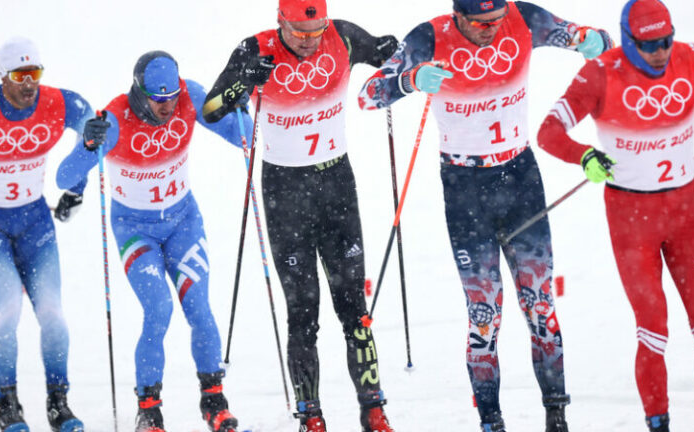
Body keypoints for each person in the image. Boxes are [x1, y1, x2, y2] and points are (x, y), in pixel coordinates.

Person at [358, 0, 615, 431]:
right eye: (479, 23)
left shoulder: (523, 17)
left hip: (519, 179)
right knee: (484, 316)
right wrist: (410, 80)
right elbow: (368, 95)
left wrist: (595, 41)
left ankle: (556, 415)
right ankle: (492, 422)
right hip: (465, 187)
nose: (490, 30)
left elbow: (596, 40)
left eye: (496, 20)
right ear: (458, 15)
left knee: (541, 307)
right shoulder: (429, 37)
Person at [536, 0, 694, 431]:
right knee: (653, 329)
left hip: (688, 215)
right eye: (649, 45)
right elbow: (548, 132)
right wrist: (584, 156)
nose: (660, 52)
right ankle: (658, 423)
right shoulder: (600, 72)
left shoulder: (692, 59)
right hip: (631, 220)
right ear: (628, 40)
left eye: (666, 42)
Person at [202, 0, 399, 430]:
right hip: (286, 192)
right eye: (298, 33)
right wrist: (244, 83)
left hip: (336, 185)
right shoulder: (255, 49)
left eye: (315, 32)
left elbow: (387, 56)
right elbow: (211, 109)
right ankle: (311, 415)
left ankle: (373, 408)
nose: (309, 42)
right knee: (303, 311)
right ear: (280, 22)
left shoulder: (342, 35)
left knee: (354, 307)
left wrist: (389, 50)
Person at [56, 50, 252, 432]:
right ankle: (149, 411)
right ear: (139, 92)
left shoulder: (191, 96)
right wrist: (88, 145)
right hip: (135, 229)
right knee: (158, 309)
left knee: (199, 308)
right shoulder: (115, 119)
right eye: (158, 99)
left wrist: (240, 108)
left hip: (183, 222)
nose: (167, 106)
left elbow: (243, 137)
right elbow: (65, 178)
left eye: (172, 96)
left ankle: (214, 402)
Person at [0, 37, 92, 432]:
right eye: (20, 76)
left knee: (53, 316)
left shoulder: (56, 102)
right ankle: (8, 403)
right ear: (3, 77)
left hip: (35, 224)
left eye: (34, 73)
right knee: (6, 313)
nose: (29, 83)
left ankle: (58, 403)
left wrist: (76, 189)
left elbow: (91, 128)